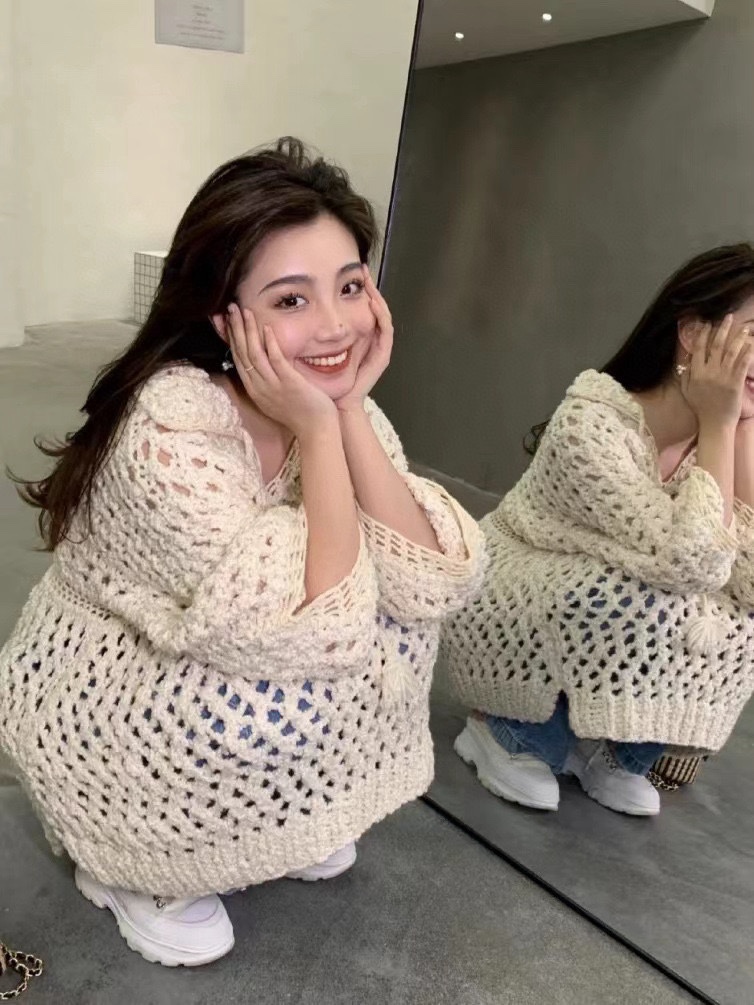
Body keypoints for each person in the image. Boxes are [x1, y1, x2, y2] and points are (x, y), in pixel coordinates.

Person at [0, 138, 485, 966]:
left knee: (399, 623)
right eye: (291, 299)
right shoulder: (170, 427)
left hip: (257, 637)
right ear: (221, 315)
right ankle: (133, 862)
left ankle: (270, 815)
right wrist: (320, 428)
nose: (335, 325)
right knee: (273, 686)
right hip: (125, 689)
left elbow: (429, 577)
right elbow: (304, 624)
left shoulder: (332, 401)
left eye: (351, 286)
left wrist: (346, 412)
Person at [443, 244, 754, 817]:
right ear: (692, 333)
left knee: (732, 617)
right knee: (647, 594)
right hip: (520, 590)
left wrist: (737, 435)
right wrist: (720, 423)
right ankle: (506, 729)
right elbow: (694, 563)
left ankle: (611, 749)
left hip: (606, 598)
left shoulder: (725, 437)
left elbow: (747, 584)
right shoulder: (591, 421)